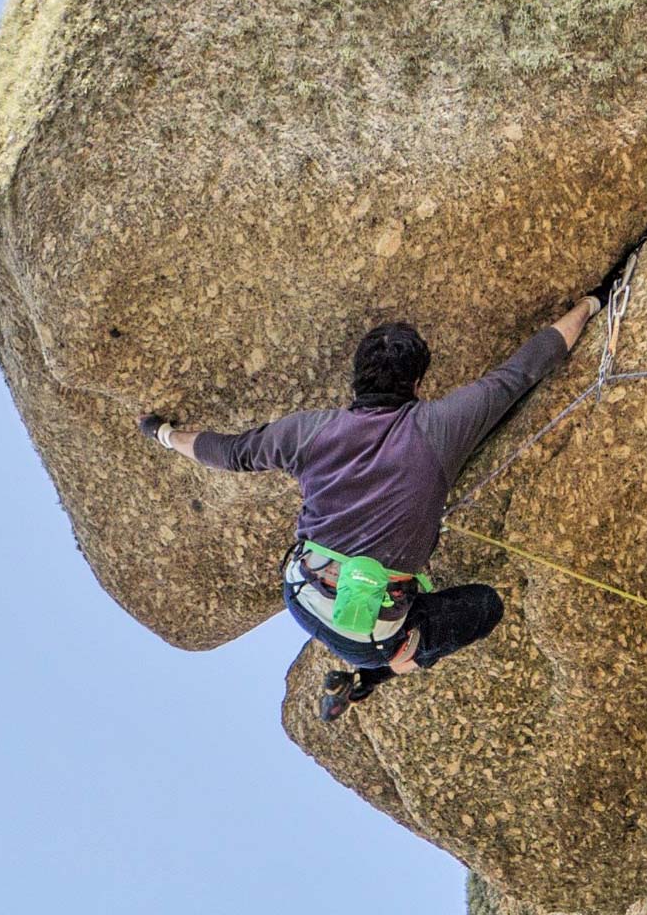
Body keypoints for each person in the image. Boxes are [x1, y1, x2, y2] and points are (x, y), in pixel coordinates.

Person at [138, 291, 606, 720]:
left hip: (301, 596)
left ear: (356, 377)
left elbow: (231, 452)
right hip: (369, 637)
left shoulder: (309, 431)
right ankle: (376, 673)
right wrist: (591, 303)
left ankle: (368, 673)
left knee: (419, 602)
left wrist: (163, 434)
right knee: (484, 607)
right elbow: (520, 372)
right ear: (419, 381)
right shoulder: (441, 427)